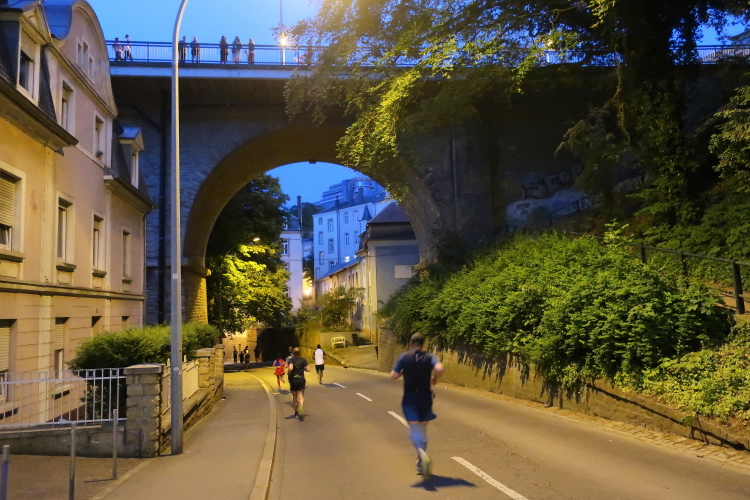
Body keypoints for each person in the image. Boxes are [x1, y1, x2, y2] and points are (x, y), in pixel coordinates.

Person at [390, 333, 445, 479]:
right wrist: (435, 379)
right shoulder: (429, 357)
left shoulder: (404, 357)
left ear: (410, 343)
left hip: (410, 398)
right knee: (422, 429)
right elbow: (440, 369)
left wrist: (402, 372)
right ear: (423, 344)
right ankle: (420, 462)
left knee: (414, 429)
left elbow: (393, 375)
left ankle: (422, 455)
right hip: (425, 398)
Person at [286, 347, 310, 419]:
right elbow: (308, 369)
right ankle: (301, 406)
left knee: (294, 397)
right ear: (300, 353)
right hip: (301, 380)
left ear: (293, 353)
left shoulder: (291, 359)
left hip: (293, 380)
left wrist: (289, 372)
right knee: (301, 396)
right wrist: (303, 368)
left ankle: (296, 413)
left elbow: (290, 368)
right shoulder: (303, 360)